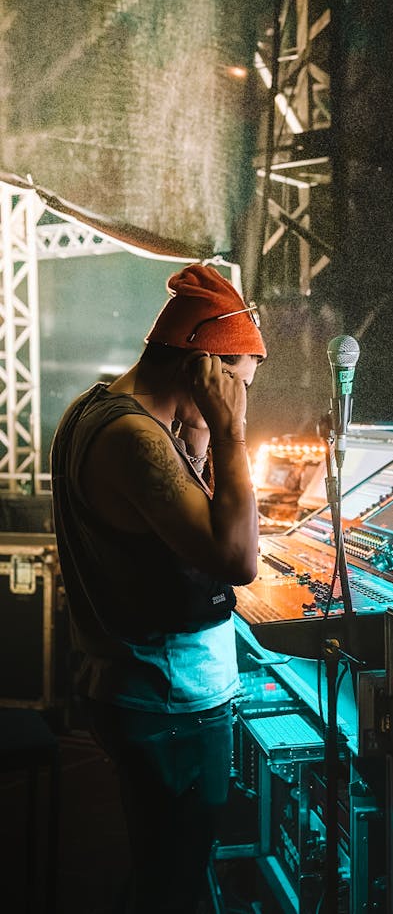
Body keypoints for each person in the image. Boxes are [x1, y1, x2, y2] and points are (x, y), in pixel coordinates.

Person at [50, 263, 267, 914]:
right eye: (240, 386)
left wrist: (201, 438)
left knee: (162, 869)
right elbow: (238, 556)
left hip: (143, 694)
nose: (242, 402)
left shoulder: (99, 410)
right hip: (169, 704)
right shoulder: (132, 440)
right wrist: (228, 431)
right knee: (175, 884)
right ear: (203, 367)